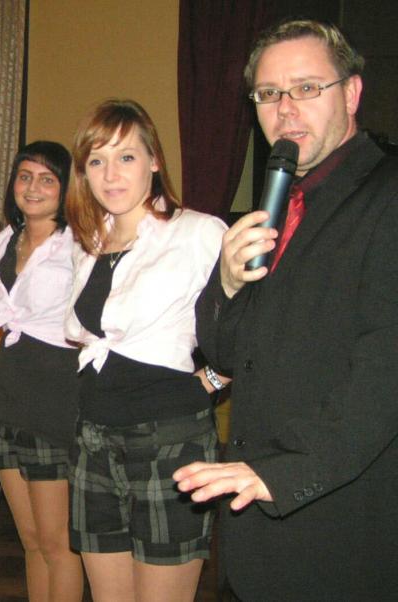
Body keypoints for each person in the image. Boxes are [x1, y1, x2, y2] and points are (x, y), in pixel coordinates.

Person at [173, 19, 398, 601]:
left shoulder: (388, 195)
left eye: (307, 87)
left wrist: (282, 473)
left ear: (351, 93)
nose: (285, 109)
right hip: (254, 524)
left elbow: (385, 373)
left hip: (342, 523)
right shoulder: (278, 203)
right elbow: (227, 356)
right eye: (269, 93)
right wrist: (226, 285)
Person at [64, 99, 227, 602]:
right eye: (97, 160)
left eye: (126, 157)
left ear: (154, 160)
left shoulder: (198, 232)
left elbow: (257, 325)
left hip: (169, 442)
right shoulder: (88, 242)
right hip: (93, 439)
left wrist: (211, 382)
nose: (110, 174)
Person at [0, 141, 83, 601]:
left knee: (56, 543)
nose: (33, 187)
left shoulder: (79, 245)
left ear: (66, 188)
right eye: (25, 176)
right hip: (8, 394)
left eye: (47, 179)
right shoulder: (4, 241)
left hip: (54, 396)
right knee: (29, 539)